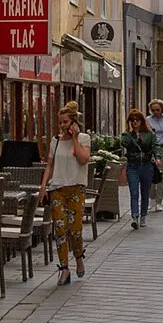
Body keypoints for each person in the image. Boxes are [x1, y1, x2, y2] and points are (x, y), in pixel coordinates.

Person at [40, 101, 93, 284]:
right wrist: (43, 187)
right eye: (60, 122)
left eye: (65, 122)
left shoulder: (84, 138)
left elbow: (83, 160)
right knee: (60, 229)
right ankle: (64, 268)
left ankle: (78, 256)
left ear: (73, 123)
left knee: (76, 230)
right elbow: (49, 165)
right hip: (57, 190)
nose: (62, 126)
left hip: (76, 190)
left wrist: (75, 139)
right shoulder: (55, 141)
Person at [121, 109, 160, 229]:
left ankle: (143, 216)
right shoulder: (127, 135)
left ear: (142, 121)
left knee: (145, 192)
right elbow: (124, 143)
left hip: (147, 166)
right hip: (133, 165)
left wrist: (158, 158)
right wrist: (130, 132)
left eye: (137, 119)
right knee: (134, 192)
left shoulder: (150, 134)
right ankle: (134, 217)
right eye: (132, 120)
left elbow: (155, 147)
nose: (135, 122)